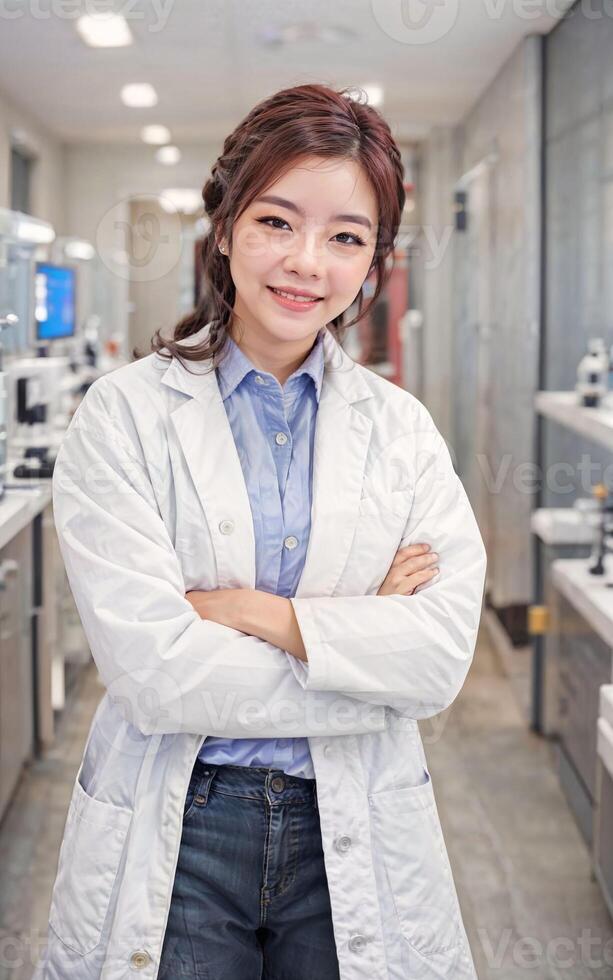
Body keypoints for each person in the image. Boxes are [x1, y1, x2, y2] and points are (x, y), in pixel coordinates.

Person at [34, 83, 487, 980]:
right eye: (277, 221)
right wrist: (358, 639)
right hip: (185, 824)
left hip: (351, 816)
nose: (306, 263)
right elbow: (158, 676)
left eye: (345, 237)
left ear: (374, 261)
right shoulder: (124, 418)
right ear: (228, 223)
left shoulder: (400, 431)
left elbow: (434, 661)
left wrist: (257, 613)